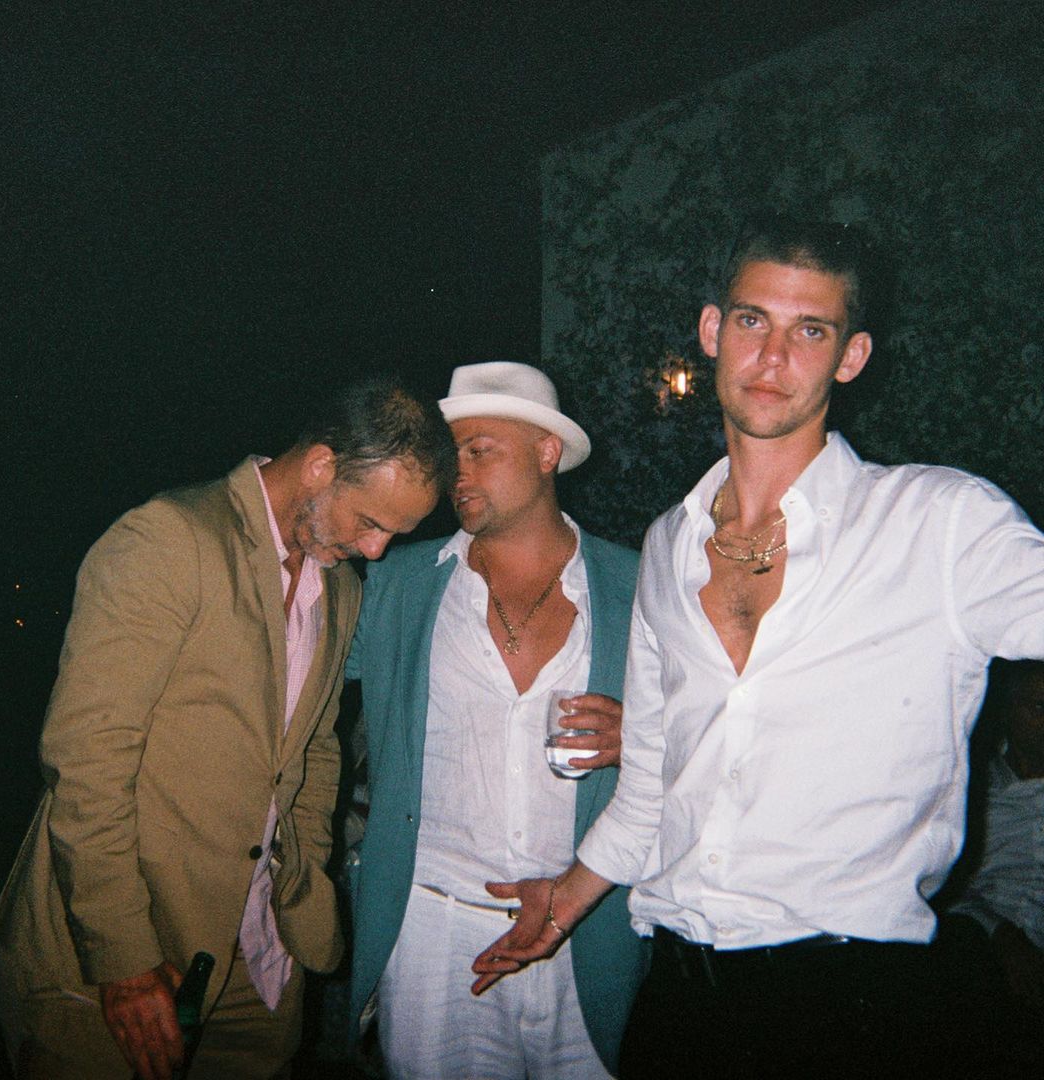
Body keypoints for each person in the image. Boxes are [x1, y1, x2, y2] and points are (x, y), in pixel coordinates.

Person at [471, 220, 1044, 1078]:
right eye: (752, 321)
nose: (773, 357)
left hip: (855, 1002)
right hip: (681, 997)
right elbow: (652, 785)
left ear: (850, 357)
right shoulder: (669, 543)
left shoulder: (939, 523)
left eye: (810, 331)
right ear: (711, 331)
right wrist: (564, 899)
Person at [0, 376, 455, 1080]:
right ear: (321, 465)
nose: (376, 549)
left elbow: (314, 748)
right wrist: (122, 958)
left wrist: (301, 884)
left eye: (394, 533)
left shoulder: (337, 587)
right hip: (122, 959)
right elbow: (86, 762)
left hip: (259, 963)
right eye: (370, 521)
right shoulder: (171, 539)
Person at [345, 362, 649, 1079]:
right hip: (434, 935)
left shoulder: (638, 585)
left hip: (585, 928)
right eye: (450, 455)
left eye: (479, 450)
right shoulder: (398, 583)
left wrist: (642, 738)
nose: (457, 473)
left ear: (547, 452)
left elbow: (719, 733)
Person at [948, 658, 1044, 1065]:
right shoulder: (972, 788)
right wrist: (1000, 934)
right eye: (1039, 708)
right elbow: (942, 887)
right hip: (983, 945)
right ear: (1008, 711)